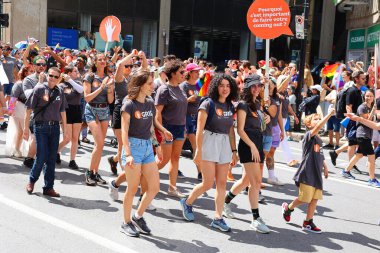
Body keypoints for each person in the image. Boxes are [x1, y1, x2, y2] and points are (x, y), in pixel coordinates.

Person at [179, 74, 238, 232]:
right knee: (207, 183)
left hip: (224, 142)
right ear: (215, 87)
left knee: (222, 183)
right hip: (209, 141)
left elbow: (231, 131)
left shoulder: (230, 106)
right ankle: (187, 202)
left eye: (227, 86)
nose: (225, 89)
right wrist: (197, 150)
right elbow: (199, 129)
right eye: (221, 85)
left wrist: (234, 150)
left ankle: (218, 217)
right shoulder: (207, 103)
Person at [119, 70, 173, 237]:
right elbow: (124, 131)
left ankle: (137, 216)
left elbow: (151, 124)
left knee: (154, 187)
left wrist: (160, 137)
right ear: (141, 85)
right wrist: (128, 154)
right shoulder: (129, 104)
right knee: (132, 188)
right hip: (133, 147)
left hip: (147, 147)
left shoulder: (149, 102)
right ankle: (126, 222)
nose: (153, 86)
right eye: (150, 83)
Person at [222, 74, 271, 233]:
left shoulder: (257, 104)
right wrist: (252, 146)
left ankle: (225, 202)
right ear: (248, 87)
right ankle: (256, 219)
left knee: (245, 181)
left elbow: (260, 125)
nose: (257, 89)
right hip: (248, 145)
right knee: (256, 183)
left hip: (257, 142)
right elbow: (240, 130)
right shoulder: (243, 105)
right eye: (254, 86)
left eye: (259, 86)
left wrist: (265, 120)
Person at [282, 109, 333, 233]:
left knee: (315, 198)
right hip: (307, 172)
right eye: (315, 119)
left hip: (317, 174)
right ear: (309, 124)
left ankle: (308, 222)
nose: (318, 120)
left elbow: (319, 154)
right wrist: (329, 114)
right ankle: (288, 208)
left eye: (318, 118)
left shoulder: (319, 139)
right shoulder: (309, 135)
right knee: (305, 198)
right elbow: (320, 125)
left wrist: (325, 166)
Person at [23, 67, 68, 197]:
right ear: (47, 75)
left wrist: (65, 130)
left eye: (55, 76)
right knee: (41, 156)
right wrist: (25, 128)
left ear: (59, 78)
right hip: (40, 127)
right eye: (51, 75)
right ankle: (32, 180)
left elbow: (63, 111)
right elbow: (28, 109)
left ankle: (48, 187)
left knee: (52, 158)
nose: (52, 78)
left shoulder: (60, 91)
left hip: (54, 128)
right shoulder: (39, 89)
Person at [155, 59, 188, 197]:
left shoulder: (181, 88)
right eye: (181, 72)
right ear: (173, 73)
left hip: (180, 128)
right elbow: (157, 114)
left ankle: (172, 188)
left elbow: (182, 110)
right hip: (167, 128)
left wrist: (184, 127)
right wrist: (162, 131)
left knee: (175, 159)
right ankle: (141, 174)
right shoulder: (164, 89)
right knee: (163, 160)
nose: (184, 74)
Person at [83, 53, 115, 186]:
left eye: (104, 60)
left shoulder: (109, 77)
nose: (102, 61)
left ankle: (95, 173)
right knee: (100, 143)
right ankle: (89, 172)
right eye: (100, 60)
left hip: (104, 110)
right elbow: (87, 98)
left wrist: (110, 88)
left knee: (99, 145)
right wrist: (101, 87)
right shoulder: (90, 77)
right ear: (95, 63)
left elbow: (110, 100)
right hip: (92, 110)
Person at [341, 89, 380, 187]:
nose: (369, 98)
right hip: (362, 135)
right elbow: (366, 120)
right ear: (364, 96)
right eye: (367, 96)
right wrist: (373, 111)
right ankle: (372, 179)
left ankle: (346, 171)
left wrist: (374, 110)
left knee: (359, 155)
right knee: (371, 157)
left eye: (371, 96)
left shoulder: (370, 107)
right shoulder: (362, 107)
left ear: (373, 97)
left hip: (367, 135)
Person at [22, 56, 47, 168]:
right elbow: (28, 96)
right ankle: (29, 158)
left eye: (43, 64)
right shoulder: (28, 80)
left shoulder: (50, 77)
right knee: (34, 137)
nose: (41, 66)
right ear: (34, 65)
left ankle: (37, 158)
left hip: (48, 112)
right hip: (28, 110)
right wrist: (40, 82)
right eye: (39, 64)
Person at [57, 66, 84, 169]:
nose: (77, 72)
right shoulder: (61, 85)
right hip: (66, 111)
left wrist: (71, 81)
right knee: (67, 138)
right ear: (68, 73)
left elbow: (81, 90)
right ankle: (56, 151)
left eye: (77, 70)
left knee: (75, 138)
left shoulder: (77, 83)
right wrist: (66, 80)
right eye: (74, 71)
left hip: (76, 110)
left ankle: (72, 160)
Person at [180, 63, 202, 180]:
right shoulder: (184, 86)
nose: (198, 73)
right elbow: (179, 102)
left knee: (196, 146)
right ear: (190, 73)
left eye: (198, 71)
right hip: (184, 118)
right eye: (196, 71)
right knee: (178, 146)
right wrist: (189, 99)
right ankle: (175, 169)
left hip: (195, 118)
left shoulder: (198, 85)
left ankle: (200, 172)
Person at [5, 66, 33, 157]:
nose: (33, 73)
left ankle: (23, 150)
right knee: (22, 131)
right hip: (20, 108)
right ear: (25, 73)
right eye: (31, 71)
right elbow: (13, 97)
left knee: (25, 131)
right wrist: (10, 109)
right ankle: (17, 149)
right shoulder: (19, 83)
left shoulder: (36, 82)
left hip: (31, 109)